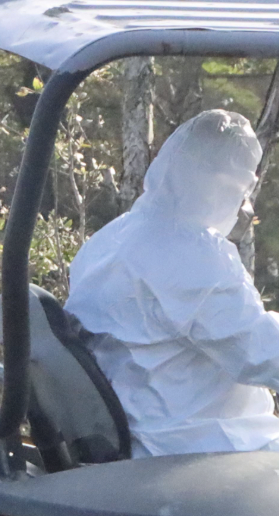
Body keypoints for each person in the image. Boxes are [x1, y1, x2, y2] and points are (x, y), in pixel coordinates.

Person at [67, 109, 279, 456]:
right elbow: (262, 355)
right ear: (213, 184)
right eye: (238, 190)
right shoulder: (196, 258)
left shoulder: (114, 236)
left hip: (149, 432)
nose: (243, 205)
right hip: (201, 446)